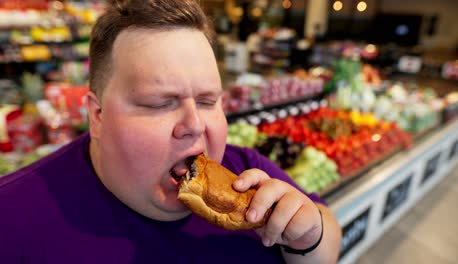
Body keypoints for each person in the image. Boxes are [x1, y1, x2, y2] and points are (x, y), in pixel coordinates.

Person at [0, 0, 342, 263]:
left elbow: (326, 240)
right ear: (98, 116)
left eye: (208, 101)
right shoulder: (12, 218)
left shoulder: (246, 174)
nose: (195, 125)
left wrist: (307, 235)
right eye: (159, 103)